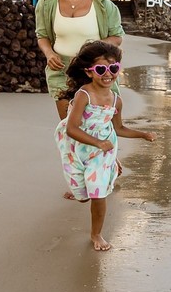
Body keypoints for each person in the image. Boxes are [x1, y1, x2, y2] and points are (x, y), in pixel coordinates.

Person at [55, 40, 156, 251]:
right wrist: (96, 142)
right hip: (77, 147)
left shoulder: (116, 100)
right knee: (84, 197)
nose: (108, 73)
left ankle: (96, 234)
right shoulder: (84, 95)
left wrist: (142, 134)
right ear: (90, 72)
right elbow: (71, 129)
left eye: (114, 68)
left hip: (103, 151)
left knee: (98, 194)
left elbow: (119, 128)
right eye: (101, 68)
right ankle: (79, 191)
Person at [35, 0, 126, 120]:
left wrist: (90, 49)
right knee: (70, 128)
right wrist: (49, 53)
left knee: (97, 128)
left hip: (96, 72)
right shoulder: (47, 2)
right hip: (62, 72)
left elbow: (117, 37)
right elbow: (42, 35)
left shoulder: (104, 5)